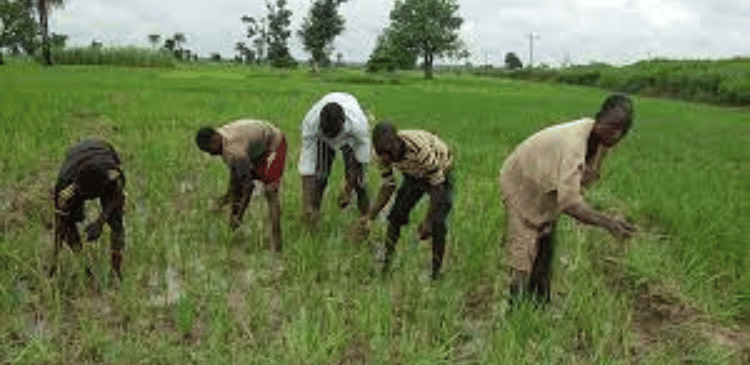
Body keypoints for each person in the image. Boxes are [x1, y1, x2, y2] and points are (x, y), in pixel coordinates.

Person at [499, 93, 637, 305]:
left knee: (545, 239)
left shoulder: (599, 141)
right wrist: (608, 222)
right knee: (524, 246)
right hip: (522, 180)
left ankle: (539, 302)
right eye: (610, 126)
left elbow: (585, 178)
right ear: (598, 118)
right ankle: (515, 306)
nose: (613, 134)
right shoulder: (574, 144)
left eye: (619, 130)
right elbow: (570, 203)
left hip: (545, 183)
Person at [369, 122, 454, 279]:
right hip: (413, 174)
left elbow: (437, 187)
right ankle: (386, 265)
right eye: (381, 152)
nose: (385, 158)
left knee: (437, 223)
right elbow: (388, 186)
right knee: (395, 217)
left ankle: (436, 273)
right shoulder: (380, 155)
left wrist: (428, 220)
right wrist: (369, 217)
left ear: (397, 141)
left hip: (440, 171)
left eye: (388, 152)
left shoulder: (420, 150)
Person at [195, 119, 286, 253]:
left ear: (215, 140)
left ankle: (276, 245)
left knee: (270, 191)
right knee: (238, 184)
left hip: (274, 144)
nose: (210, 155)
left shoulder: (234, 151)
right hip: (257, 147)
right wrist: (227, 198)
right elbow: (236, 177)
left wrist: (239, 216)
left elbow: (248, 187)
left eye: (209, 150)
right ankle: (234, 235)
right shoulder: (223, 140)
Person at [51, 139, 126, 280]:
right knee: (70, 223)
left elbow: (117, 197)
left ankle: (116, 273)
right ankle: (84, 267)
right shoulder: (65, 184)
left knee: (117, 224)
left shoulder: (112, 174)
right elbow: (60, 225)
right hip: (77, 157)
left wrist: (100, 222)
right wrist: (54, 260)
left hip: (103, 150)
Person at [298, 92, 371, 230]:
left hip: (349, 140)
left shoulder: (358, 125)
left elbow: (360, 160)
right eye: (328, 134)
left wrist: (348, 189)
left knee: (360, 182)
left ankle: (366, 219)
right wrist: (307, 205)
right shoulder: (310, 123)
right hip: (323, 139)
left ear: (343, 124)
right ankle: (313, 216)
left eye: (334, 135)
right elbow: (307, 163)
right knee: (320, 177)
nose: (333, 139)